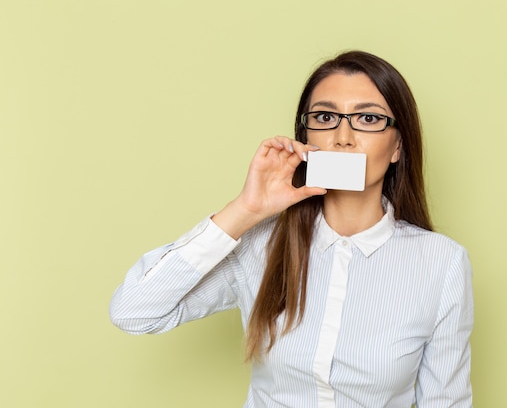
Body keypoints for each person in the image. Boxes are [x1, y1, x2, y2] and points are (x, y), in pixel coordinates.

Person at [110, 50, 474, 408]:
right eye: (326, 117)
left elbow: (447, 401)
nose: (343, 137)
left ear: (397, 146)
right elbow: (134, 311)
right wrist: (244, 210)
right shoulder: (259, 244)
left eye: (367, 118)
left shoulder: (441, 263)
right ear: (306, 137)